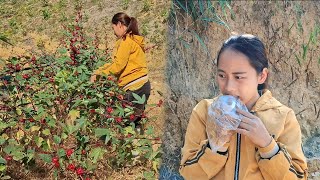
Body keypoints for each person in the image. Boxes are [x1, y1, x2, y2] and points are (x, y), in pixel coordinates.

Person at [179, 34, 308, 180]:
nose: (228, 87)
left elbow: (299, 177)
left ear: (262, 76)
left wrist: (268, 145)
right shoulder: (204, 111)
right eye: (222, 75)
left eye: (238, 77)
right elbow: (189, 174)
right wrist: (217, 145)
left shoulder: (283, 117)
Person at [91, 12, 150, 126]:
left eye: (113, 28)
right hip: (143, 86)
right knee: (135, 123)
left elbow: (118, 66)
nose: (113, 32)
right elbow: (117, 62)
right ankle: (138, 141)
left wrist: (98, 75)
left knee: (122, 123)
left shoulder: (126, 41)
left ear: (119, 24)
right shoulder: (134, 39)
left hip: (134, 87)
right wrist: (100, 70)